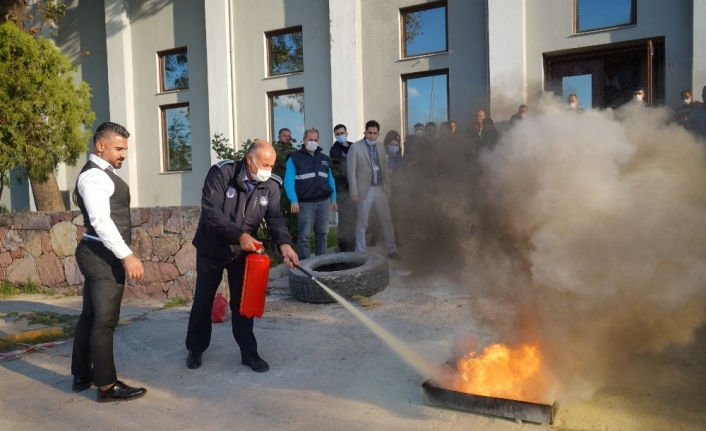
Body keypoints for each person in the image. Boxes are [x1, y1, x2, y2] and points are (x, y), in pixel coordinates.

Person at [185, 140, 299, 373]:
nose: (269, 170)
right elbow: (210, 210)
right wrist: (239, 235)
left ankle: (248, 352)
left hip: (242, 254)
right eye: (265, 164)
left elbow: (275, 219)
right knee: (203, 301)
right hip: (212, 249)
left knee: (243, 304)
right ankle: (195, 349)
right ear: (250, 160)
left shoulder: (271, 185)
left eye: (272, 165)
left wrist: (285, 244)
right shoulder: (222, 172)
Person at [71, 121, 147, 403]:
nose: (124, 154)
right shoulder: (95, 177)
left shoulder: (103, 174)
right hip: (101, 257)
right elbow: (101, 221)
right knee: (105, 321)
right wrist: (127, 255)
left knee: (90, 317)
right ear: (100, 146)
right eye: (119, 148)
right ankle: (106, 387)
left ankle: (82, 374)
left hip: (96, 253)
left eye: (125, 149)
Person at [347, 120, 401, 260]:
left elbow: (384, 170)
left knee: (387, 220)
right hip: (365, 189)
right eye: (369, 133)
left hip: (380, 189)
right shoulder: (356, 147)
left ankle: (392, 250)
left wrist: (388, 189)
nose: (371, 136)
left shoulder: (381, 147)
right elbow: (351, 171)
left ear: (378, 134)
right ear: (365, 133)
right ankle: (360, 253)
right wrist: (354, 191)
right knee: (362, 221)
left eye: (374, 133)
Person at [284, 128, 337, 259]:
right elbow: (288, 181)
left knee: (323, 234)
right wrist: (293, 200)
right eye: (310, 139)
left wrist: (333, 199)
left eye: (315, 140)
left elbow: (330, 180)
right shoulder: (294, 158)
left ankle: (322, 263)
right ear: (304, 140)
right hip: (305, 204)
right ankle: (305, 267)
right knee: (304, 237)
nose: (313, 142)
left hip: (323, 202)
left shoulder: (324, 159)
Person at [329, 124, 356, 252]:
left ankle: (353, 244)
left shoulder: (353, 146)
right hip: (342, 189)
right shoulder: (334, 150)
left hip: (354, 188)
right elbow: (345, 163)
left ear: (347, 133)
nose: (340, 136)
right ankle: (343, 246)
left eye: (342, 133)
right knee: (344, 218)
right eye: (337, 134)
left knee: (354, 217)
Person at [383, 130, 405, 245]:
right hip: (384, 190)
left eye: (396, 145)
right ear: (387, 145)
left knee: (395, 216)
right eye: (392, 145)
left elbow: (403, 173)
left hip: (396, 190)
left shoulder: (400, 159)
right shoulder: (382, 158)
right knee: (382, 216)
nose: (394, 147)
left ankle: (395, 239)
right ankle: (375, 238)